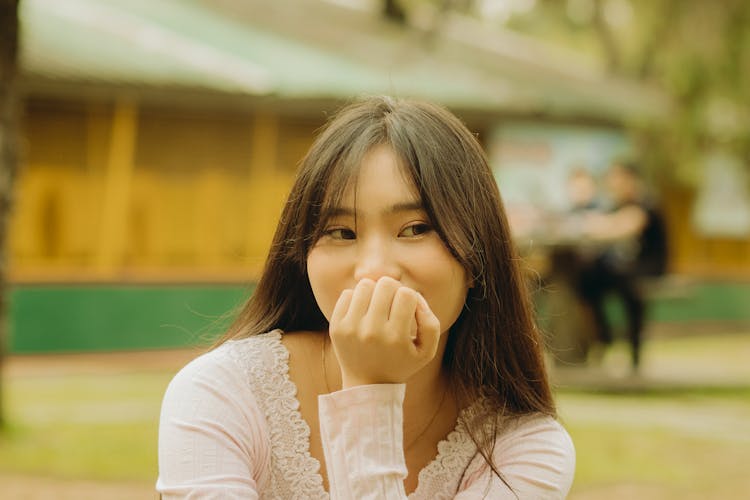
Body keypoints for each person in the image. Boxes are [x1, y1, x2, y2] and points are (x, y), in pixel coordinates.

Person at [156, 96, 576, 499]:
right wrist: (371, 386)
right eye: (342, 233)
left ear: (477, 257)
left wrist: (369, 391)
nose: (373, 268)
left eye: (415, 229)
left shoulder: (524, 450)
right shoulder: (222, 394)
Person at [576, 160, 668, 371]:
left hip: (649, 266)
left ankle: (634, 354)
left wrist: (599, 225)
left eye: (617, 179)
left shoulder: (646, 203)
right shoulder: (617, 205)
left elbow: (626, 225)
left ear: (631, 179)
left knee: (629, 287)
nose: (614, 184)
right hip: (624, 267)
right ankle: (604, 336)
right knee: (588, 279)